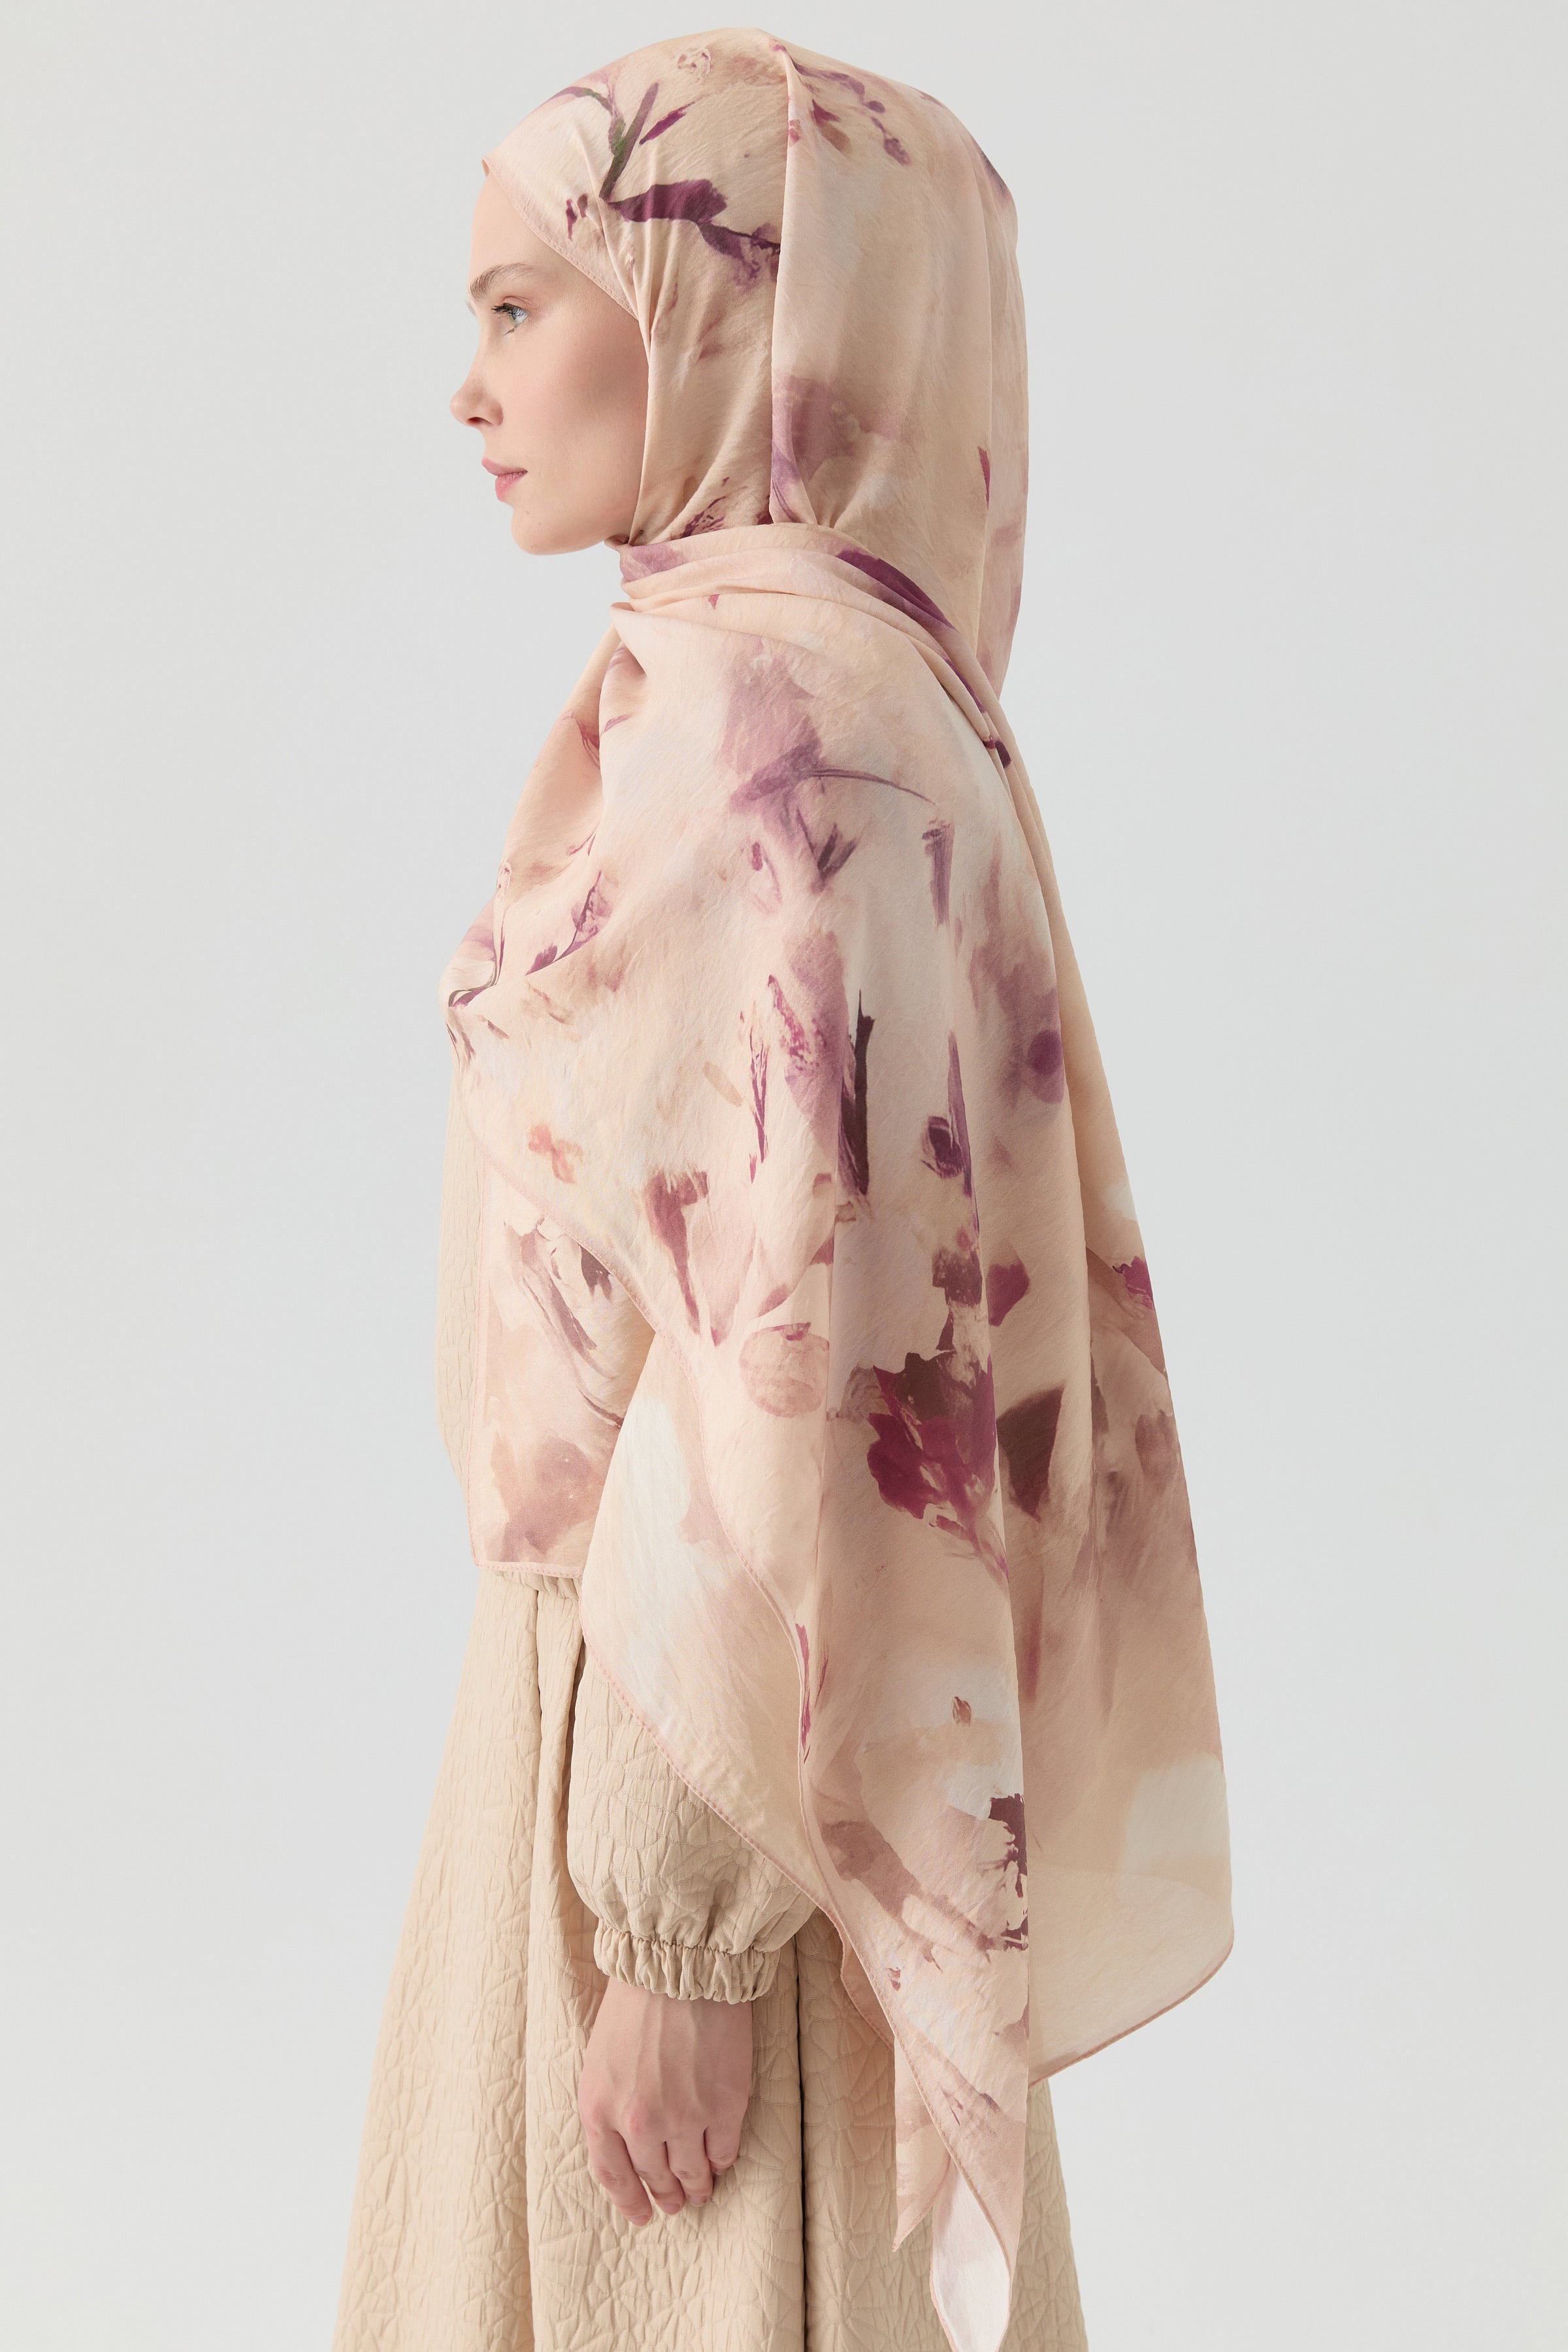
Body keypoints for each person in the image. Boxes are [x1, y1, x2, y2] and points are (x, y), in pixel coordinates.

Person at [331, 31, 1231, 2352]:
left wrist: (673, 1928)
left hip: (710, 1755)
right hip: (702, 1725)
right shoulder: (828, 698)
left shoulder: (787, 746)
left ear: (735, 305)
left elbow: (796, 1369)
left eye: (521, 306)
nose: (468, 387)